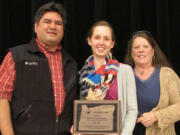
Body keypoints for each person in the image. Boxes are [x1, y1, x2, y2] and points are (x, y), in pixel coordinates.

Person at [0, 1, 78, 135]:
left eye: (58, 23)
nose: (53, 26)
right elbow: (2, 99)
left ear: (63, 30)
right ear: (36, 27)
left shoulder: (71, 63)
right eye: (47, 21)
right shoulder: (16, 56)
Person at [77, 20, 138, 135]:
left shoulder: (125, 71)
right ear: (89, 41)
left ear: (112, 43)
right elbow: (81, 111)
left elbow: (132, 110)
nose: (101, 42)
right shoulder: (82, 75)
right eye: (97, 37)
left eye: (106, 39)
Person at [124, 30, 180, 135]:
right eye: (136, 47)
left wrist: (157, 116)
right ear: (131, 53)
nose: (141, 50)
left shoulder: (167, 75)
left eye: (145, 46)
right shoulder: (123, 76)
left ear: (153, 51)